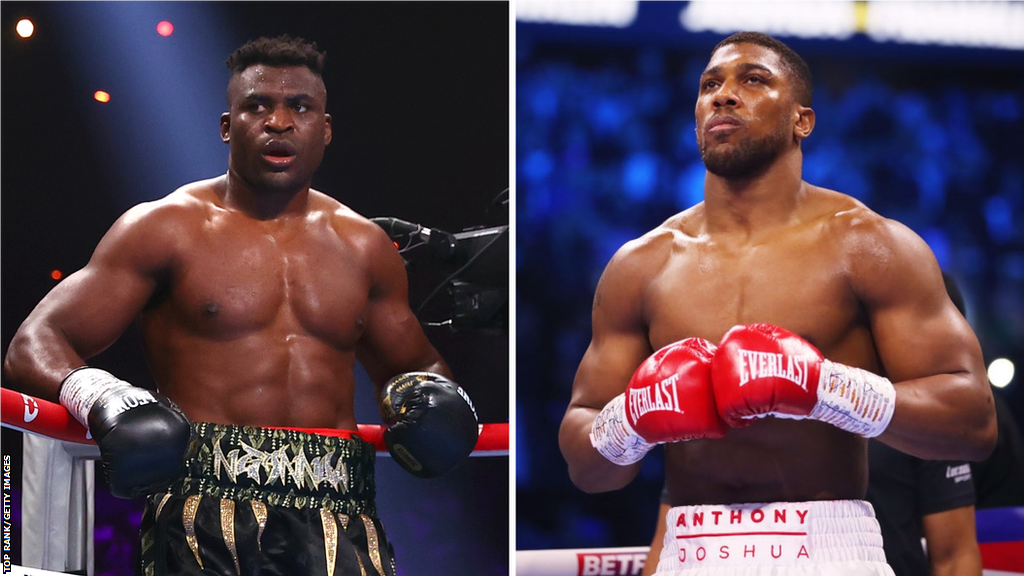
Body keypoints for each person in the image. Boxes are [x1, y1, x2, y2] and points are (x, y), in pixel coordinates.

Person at [3, 35, 478, 576]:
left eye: (299, 107)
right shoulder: (164, 229)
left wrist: (430, 400)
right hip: (202, 510)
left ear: (324, 130)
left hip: (341, 515)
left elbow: (419, 369)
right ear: (228, 127)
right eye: (258, 106)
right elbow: (33, 343)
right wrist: (106, 397)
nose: (279, 122)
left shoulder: (365, 247)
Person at [558, 31, 997, 576]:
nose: (723, 95)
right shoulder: (642, 265)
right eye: (710, 84)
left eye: (753, 80)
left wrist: (823, 389)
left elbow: (974, 422)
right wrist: (631, 421)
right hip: (689, 553)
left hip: (830, 550)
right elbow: (584, 460)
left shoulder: (868, 246)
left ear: (802, 120)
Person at [641, 273, 983, 576]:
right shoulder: (723, 412)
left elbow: (954, 555)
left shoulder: (917, 426)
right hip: (696, 552)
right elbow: (665, 528)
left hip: (843, 555)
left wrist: (819, 385)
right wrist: (629, 420)